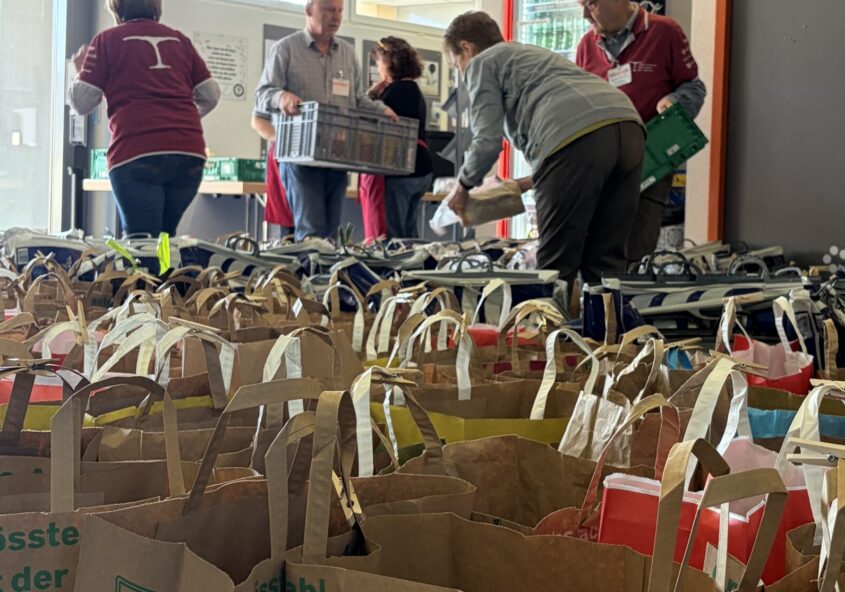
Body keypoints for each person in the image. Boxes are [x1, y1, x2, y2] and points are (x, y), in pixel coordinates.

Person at [443, 11, 645, 286]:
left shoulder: (482, 63)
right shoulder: (532, 54)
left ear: (466, 48)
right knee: (606, 261)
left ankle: (550, 314)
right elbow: (577, 151)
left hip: (577, 136)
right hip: (629, 127)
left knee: (556, 265)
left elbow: (487, 142)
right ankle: (607, 314)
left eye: (457, 65)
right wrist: (527, 182)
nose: (461, 72)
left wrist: (462, 187)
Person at [68, 0, 220, 237]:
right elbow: (210, 95)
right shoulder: (179, 40)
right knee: (164, 237)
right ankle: (164, 261)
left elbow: (81, 103)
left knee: (142, 240)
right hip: (188, 155)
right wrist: (180, 117)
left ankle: (148, 261)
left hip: (136, 152)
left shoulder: (106, 41)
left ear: (116, 7)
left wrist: (80, 72)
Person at [255, 0, 398, 242]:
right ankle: (309, 267)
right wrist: (281, 97)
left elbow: (357, 100)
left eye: (340, 11)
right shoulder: (285, 49)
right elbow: (262, 95)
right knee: (311, 230)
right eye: (330, 10)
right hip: (300, 156)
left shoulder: (347, 54)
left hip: (337, 156)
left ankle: (323, 268)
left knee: (331, 235)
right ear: (309, 10)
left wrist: (382, 110)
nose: (336, 17)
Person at [576, 0, 706, 263]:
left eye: (591, 4)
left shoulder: (664, 31)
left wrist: (674, 102)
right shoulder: (586, 45)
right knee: (594, 250)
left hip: (650, 161)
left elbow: (694, 87)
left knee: (634, 250)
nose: (585, 15)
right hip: (602, 165)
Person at [359, 37, 434, 240]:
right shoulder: (413, 90)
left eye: (378, 62)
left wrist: (370, 95)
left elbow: (366, 118)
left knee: (391, 238)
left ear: (387, 62)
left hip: (398, 170)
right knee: (409, 235)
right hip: (420, 169)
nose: (378, 67)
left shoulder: (395, 91)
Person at [250, 113, 295, 238]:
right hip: (285, 154)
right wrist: (283, 139)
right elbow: (257, 121)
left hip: (317, 162)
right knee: (289, 229)